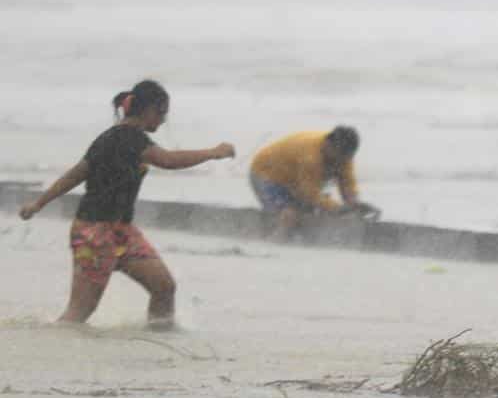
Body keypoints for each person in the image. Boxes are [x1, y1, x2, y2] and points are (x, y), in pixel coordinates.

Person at [16, 80, 235, 328]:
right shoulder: (128, 137)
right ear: (150, 109)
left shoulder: (111, 138)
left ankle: (159, 338)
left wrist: (38, 203)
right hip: (94, 234)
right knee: (78, 314)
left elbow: (75, 174)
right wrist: (212, 152)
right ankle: (47, 346)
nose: (163, 121)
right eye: (163, 113)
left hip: (123, 232)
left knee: (164, 286)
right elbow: (168, 160)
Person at [248, 126, 377, 239]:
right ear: (329, 145)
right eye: (340, 157)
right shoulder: (311, 157)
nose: (342, 162)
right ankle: (275, 240)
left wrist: (355, 205)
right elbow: (310, 195)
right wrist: (339, 209)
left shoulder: (344, 157)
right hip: (266, 174)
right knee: (290, 215)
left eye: (346, 158)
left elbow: (348, 185)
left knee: (314, 210)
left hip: (294, 180)